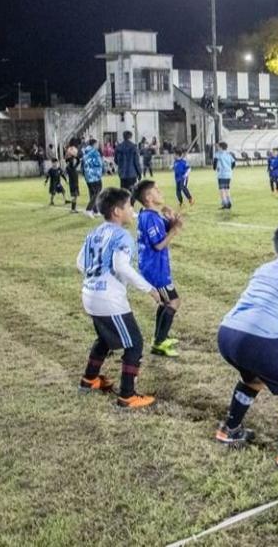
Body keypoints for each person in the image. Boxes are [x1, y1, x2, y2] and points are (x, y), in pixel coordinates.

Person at [215, 220, 278, 468]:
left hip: (228, 333)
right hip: (259, 340)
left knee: (254, 377)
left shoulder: (265, 268)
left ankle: (229, 429)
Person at [76, 187, 161, 409]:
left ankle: (90, 379)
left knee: (105, 339)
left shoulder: (94, 233)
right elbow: (121, 266)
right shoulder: (122, 235)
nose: (132, 211)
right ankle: (127, 395)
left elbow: (80, 263)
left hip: (90, 294)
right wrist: (149, 289)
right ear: (116, 211)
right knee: (134, 344)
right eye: (129, 206)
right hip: (109, 299)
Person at [134, 180, 185, 358]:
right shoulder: (151, 218)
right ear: (148, 198)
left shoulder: (148, 215)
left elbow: (171, 226)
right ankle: (159, 343)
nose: (160, 191)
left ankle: (159, 337)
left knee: (165, 302)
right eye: (156, 190)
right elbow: (158, 245)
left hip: (151, 266)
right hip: (155, 269)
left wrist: (173, 219)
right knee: (174, 302)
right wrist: (175, 230)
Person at [82, 139, 104, 218]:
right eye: (97, 144)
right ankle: (88, 209)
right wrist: (103, 170)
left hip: (88, 175)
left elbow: (83, 163)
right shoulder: (95, 152)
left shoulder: (85, 151)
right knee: (97, 192)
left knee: (92, 193)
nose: (98, 146)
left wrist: (84, 173)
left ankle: (95, 210)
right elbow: (100, 163)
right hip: (95, 175)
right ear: (94, 144)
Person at [213, 141, 236, 209]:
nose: (218, 148)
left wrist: (215, 168)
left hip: (222, 174)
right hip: (228, 174)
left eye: (218, 147)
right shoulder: (229, 155)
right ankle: (229, 202)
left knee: (222, 189)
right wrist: (230, 169)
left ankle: (225, 203)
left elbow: (215, 162)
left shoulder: (218, 154)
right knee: (227, 188)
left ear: (221, 147)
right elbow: (234, 163)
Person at [64, 145, 83, 213]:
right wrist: (72, 155)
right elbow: (72, 161)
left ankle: (73, 209)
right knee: (74, 196)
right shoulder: (70, 167)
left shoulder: (73, 167)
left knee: (75, 196)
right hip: (73, 183)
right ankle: (72, 209)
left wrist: (74, 156)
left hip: (75, 182)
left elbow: (78, 161)